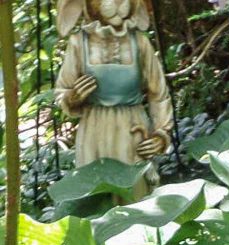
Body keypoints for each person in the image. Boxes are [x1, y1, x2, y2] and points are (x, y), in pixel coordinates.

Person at [56, 0, 173, 196]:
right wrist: (72, 97)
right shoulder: (79, 43)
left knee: (135, 195)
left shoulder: (140, 43)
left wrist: (161, 135)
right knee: (96, 197)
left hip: (132, 132)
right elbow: (62, 90)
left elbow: (158, 94)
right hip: (94, 133)